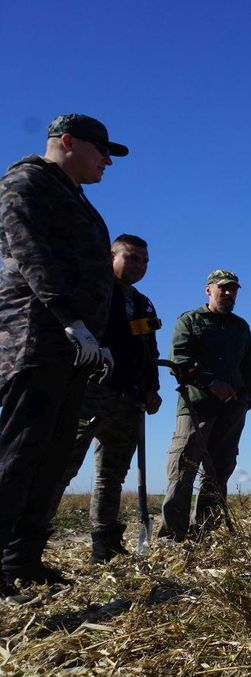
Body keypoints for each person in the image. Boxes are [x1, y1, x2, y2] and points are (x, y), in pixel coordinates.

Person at [0, 114, 127, 593]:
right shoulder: (26, 182)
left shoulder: (72, 195)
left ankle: (22, 561)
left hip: (74, 348)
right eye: (102, 150)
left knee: (51, 457)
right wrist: (71, 321)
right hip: (36, 337)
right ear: (68, 142)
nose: (108, 162)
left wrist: (95, 337)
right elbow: (33, 256)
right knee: (19, 451)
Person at [46, 234, 161, 562]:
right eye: (132, 257)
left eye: (145, 261)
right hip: (91, 391)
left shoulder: (142, 303)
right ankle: (29, 540)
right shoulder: (94, 291)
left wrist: (151, 388)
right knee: (63, 465)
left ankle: (104, 543)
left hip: (128, 398)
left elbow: (148, 350)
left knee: (112, 473)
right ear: (111, 256)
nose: (139, 265)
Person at [158, 270, 251, 540]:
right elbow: (178, 359)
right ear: (208, 290)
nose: (228, 293)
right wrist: (210, 382)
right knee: (183, 467)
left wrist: (246, 399)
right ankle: (173, 534)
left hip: (232, 409)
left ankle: (205, 532)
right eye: (223, 288)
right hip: (196, 406)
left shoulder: (241, 327)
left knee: (220, 470)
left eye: (233, 289)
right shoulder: (190, 321)